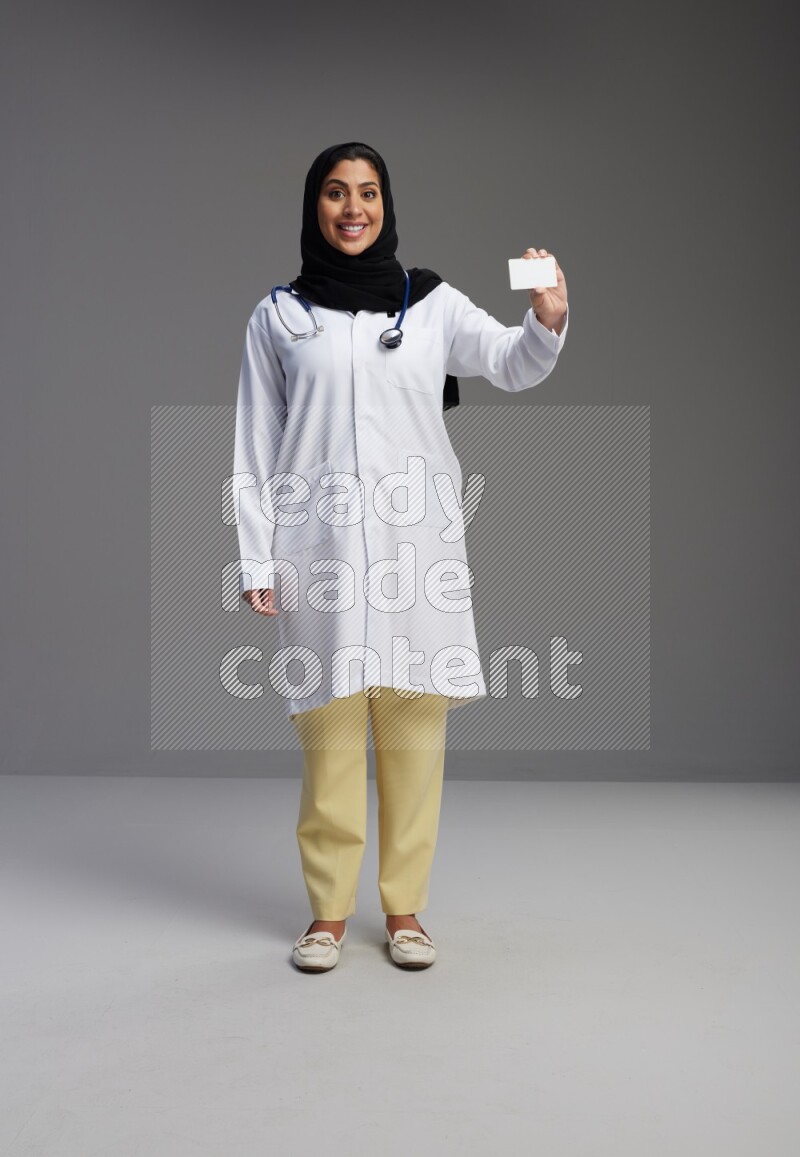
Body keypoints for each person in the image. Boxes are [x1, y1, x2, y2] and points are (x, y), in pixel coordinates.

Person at [232, 141, 569, 972]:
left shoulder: (431, 304)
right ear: (315, 206)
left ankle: (405, 909)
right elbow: (254, 443)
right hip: (321, 553)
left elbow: (508, 362)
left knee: (415, 737)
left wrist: (548, 317)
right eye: (338, 194)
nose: (355, 208)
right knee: (333, 738)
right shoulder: (279, 317)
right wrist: (257, 561)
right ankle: (327, 915)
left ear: (387, 205)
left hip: (418, 552)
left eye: (370, 193)